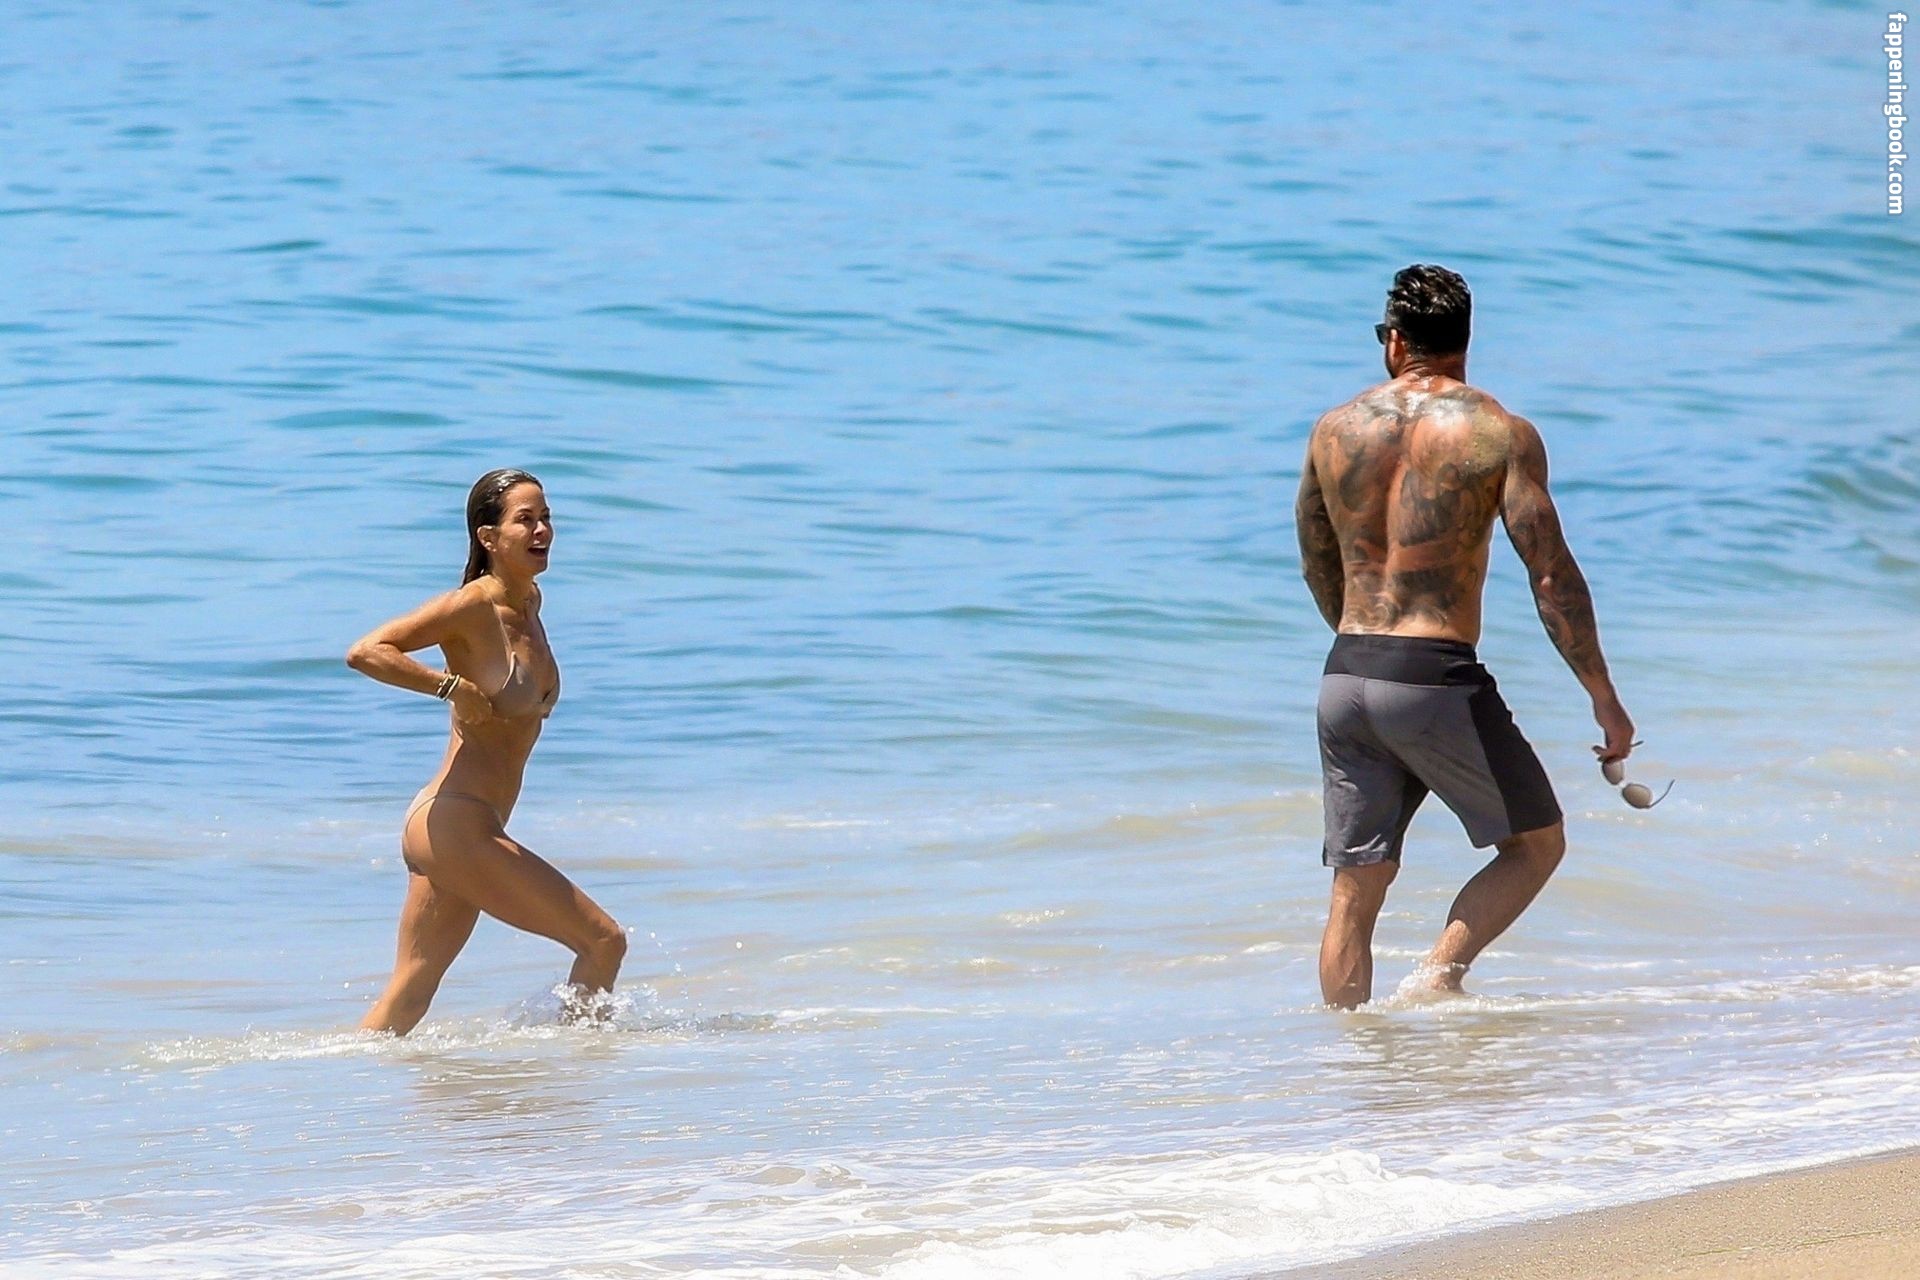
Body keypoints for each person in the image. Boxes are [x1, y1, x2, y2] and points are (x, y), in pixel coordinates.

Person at [1294, 265, 1635, 1008]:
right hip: (1434, 674)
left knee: (1354, 892)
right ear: (1465, 341)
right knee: (1536, 844)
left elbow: (1317, 559)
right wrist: (1603, 697)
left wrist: (1364, 650)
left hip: (1345, 674)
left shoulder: (1333, 431)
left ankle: (1348, 1064)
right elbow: (1551, 574)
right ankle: (1436, 980)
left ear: (1394, 343)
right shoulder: (1498, 432)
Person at [346, 468, 627, 1034]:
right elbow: (367, 651)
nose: (542, 529)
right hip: (455, 824)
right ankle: (579, 1066)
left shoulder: (530, 604)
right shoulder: (473, 607)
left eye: (546, 517)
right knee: (603, 941)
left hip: (464, 824)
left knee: (408, 998)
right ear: (489, 537)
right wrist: (448, 686)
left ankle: (336, 1081)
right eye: (526, 519)